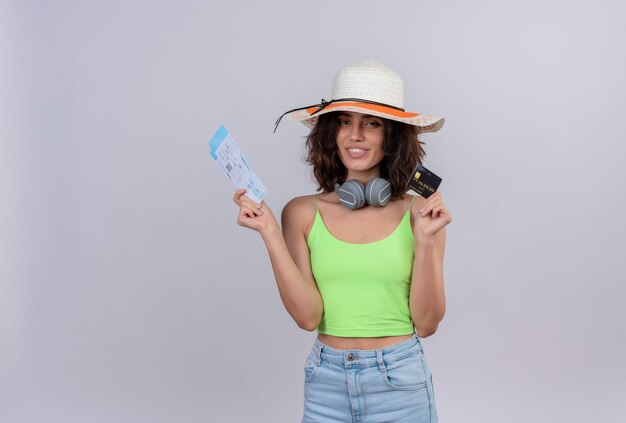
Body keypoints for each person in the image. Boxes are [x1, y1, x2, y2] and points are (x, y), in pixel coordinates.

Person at [233, 60, 451, 423]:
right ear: (330, 133)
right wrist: (269, 231)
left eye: (372, 123)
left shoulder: (421, 215)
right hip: (326, 381)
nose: (355, 135)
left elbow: (427, 324)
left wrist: (426, 242)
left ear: (392, 135)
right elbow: (307, 317)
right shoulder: (301, 213)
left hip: (399, 380)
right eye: (344, 122)